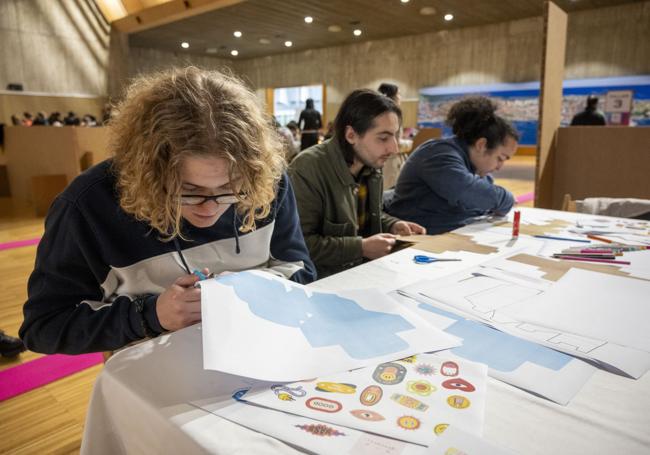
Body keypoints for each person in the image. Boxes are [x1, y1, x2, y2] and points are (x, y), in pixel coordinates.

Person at [20, 67, 316, 355]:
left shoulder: (266, 180)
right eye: (189, 191)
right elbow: (44, 328)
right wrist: (150, 316)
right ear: (148, 174)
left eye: (229, 189)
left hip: (258, 353)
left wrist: (249, 289)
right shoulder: (87, 207)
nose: (211, 207)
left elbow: (302, 273)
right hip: (151, 374)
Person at [288, 89, 425, 278]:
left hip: (364, 274)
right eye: (383, 138)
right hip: (323, 282)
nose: (394, 148)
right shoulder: (307, 168)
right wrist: (360, 248)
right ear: (351, 135)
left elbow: (362, 218)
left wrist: (393, 224)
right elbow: (299, 244)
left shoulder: (371, 166)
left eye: (395, 136)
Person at [386, 96, 518, 234]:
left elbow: (485, 197)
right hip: (415, 241)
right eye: (500, 158)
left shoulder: (472, 166)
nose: (499, 167)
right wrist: (506, 198)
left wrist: (494, 200)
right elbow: (469, 192)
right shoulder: (439, 154)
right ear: (481, 145)